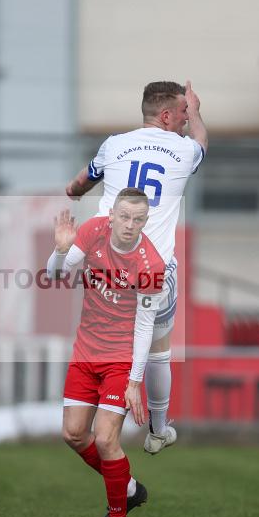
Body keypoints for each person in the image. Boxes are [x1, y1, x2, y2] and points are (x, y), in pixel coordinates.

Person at [64, 80, 207, 454]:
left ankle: (91, 414)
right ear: (166, 115)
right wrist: (199, 112)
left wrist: (76, 191)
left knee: (104, 340)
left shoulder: (113, 145)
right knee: (158, 349)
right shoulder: (185, 149)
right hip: (151, 269)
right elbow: (203, 142)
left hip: (102, 266)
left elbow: (77, 185)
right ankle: (158, 430)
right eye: (182, 113)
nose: (186, 119)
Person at [48, 187, 167, 517]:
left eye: (139, 219)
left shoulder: (152, 265)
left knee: (104, 439)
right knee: (72, 433)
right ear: (112, 215)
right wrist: (60, 250)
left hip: (119, 360)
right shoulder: (93, 231)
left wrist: (134, 380)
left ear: (146, 221)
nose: (130, 225)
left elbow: (145, 326)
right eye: (125, 217)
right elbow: (55, 274)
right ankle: (129, 487)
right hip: (85, 353)